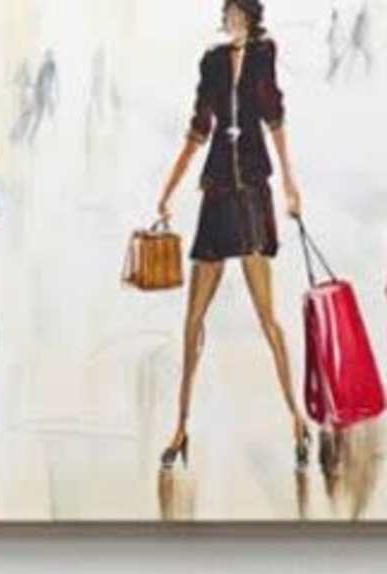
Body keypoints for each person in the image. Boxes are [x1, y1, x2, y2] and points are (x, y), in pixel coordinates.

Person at [153, 0, 311, 470]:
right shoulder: (213, 62)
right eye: (228, 16)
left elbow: (275, 120)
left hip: (253, 198)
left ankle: (297, 420)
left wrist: (290, 185)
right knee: (191, 323)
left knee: (269, 319)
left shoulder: (265, 55)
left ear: (251, 19)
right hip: (218, 193)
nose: (230, 22)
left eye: (237, 16)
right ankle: (180, 428)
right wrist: (168, 189)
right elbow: (199, 129)